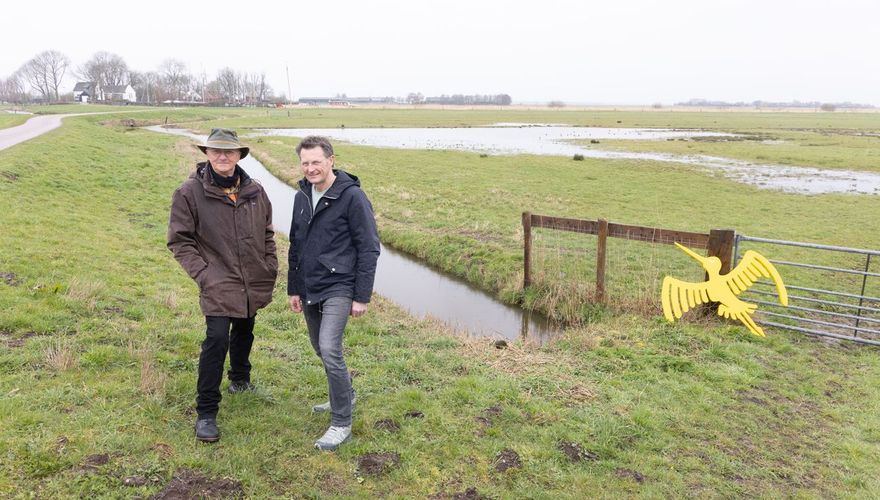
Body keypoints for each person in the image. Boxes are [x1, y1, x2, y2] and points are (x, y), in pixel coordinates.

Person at [167, 128, 278, 443]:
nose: (222, 156)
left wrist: (268, 265)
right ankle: (206, 413)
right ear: (206, 154)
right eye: (215, 151)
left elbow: (268, 233)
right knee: (217, 340)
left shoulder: (256, 191)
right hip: (217, 281)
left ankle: (240, 379)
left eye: (228, 151)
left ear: (239, 155)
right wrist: (204, 274)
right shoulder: (189, 193)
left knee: (245, 330)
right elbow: (179, 241)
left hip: (252, 279)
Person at [287, 136, 380, 451]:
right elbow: (296, 244)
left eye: (316, 162)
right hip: (310, 284)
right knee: (318, 346)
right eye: (305, 163)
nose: (311, 168)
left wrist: (362, 296)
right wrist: (293, 288)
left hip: (340, 285)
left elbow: (369, 247)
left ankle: (341, 422)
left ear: (331, 161)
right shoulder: (302, 195)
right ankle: (346, 393)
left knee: (329, 347)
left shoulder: (352, 197)